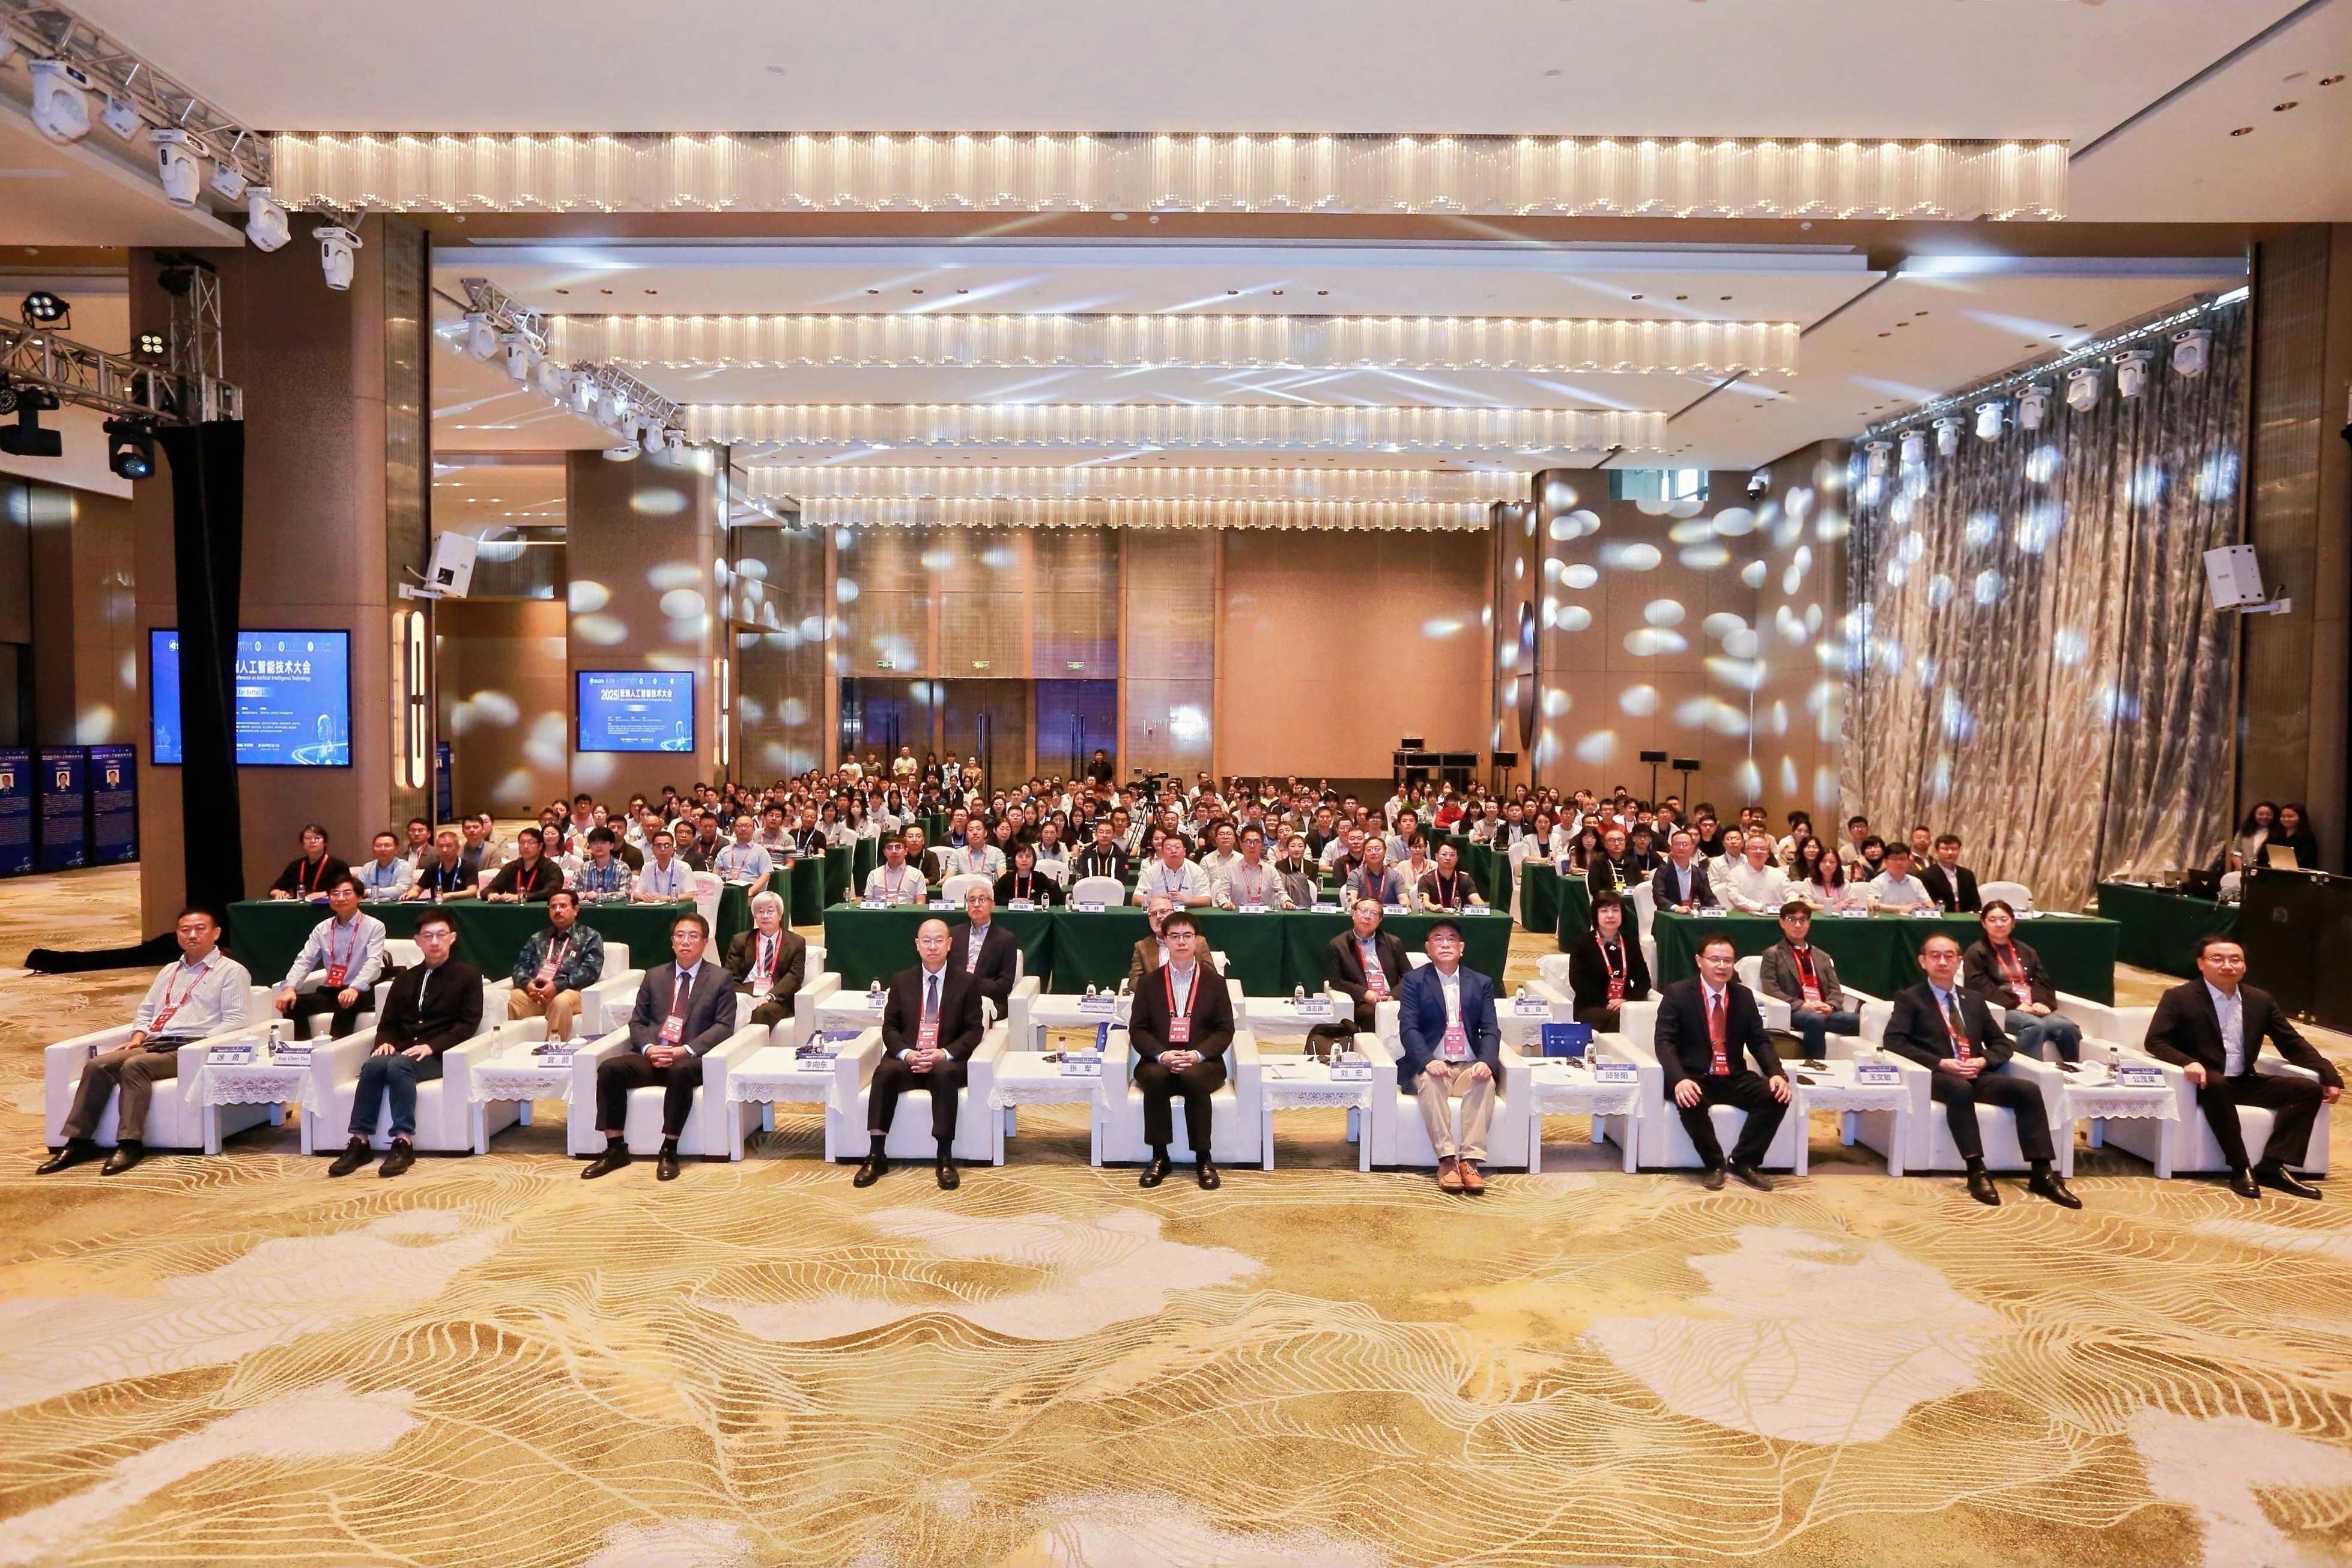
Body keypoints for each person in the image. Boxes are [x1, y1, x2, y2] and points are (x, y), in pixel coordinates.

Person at [41, 907, 253, 1175]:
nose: (192, 935)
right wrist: (138, 1036)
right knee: (98, 1065)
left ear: (216, 933)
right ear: (177, 935)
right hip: (155, 1043)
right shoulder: (169, 971)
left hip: (192, 1047)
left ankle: (130, 1143)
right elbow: (146, 1011)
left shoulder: (231, 971)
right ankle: (79, 1142)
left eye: (200, 929)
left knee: (136, 1066)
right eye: (185, 930)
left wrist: (200, 1045)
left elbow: (236, 1018)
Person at [1882, 933, 2079, 1208]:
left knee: (2028, 1091)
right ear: (1923, 961)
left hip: (1975, 1072)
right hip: (1937, 1076)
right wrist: (1940, 1063)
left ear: (1959, 962)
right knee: (1960, 1089)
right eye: (1935, 956)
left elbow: (2002, 1043)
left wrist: (1983, 1061)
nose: (1942, 962)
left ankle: (2042, 1172)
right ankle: (1976, 1171)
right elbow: (1894, 1041)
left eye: (1949, 956)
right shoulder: (1910, 998)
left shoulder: (1973, 999)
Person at [2142, 934, 2340, 1199]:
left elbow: (2292, 1043)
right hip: (2202, 1083)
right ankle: (2239, 1166)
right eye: (2217, 959)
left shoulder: (2259, 1000)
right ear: (2201, 964)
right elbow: (2156, 1040)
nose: (2228, 965)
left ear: (2244, 965)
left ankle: (2273, 1165)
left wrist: (2328, 1075)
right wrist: (2187, 1062)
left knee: (2306, 1090)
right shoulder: (2180, 997)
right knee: (2218, 1083)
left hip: (2243, 1080)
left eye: (2235, 960)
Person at [323, 910, 483, 1179]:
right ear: (418, 941)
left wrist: (432, 1046)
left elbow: (468, 1023)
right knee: (374, 1065)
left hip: (439, 1053)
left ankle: (403, 1142)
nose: (435, 942)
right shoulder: (405, 978)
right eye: (428, 936)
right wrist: (384, 1042)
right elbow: (387, 1022)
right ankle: (359, 1142)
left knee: (399, 1066)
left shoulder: (468, 976)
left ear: (453, 938)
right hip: (403, 1049)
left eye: (441, 935)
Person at [582, 913, 739, 1182]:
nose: (685, 942)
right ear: (672, 942)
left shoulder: (720, 979)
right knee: (609, 1069)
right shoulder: (654, 976)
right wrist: (648, 1049)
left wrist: (685, 1050)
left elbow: (724, 1026)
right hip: (654, 1055)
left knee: (680, 1072)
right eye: (680, 936)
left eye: (693, 936)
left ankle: (669, 1150)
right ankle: (615, 1148)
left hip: (691, 1059)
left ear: (705, 942)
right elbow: (637, 1022)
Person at [857, 918, 986, 1191]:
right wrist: (906, 1054)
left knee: (946, 1075)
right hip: (909, 1059)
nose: (933, 947)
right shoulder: (902, 981)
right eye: (926, 941)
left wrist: (945, 1054)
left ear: (949, 945)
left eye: (939, 940)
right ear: (917, 945)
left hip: (945, 1062)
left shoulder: (966, 983)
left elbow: (974, 1030)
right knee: (885, 1071)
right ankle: (876, 1155)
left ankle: (945, 1158)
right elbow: (890, 1027)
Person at [1652, 935, 1790, 1190]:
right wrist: (1678, 1079)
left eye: (1728, 960)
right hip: (1694, 1075)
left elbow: (1759, 1041)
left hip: (1733, 1075)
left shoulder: (1743, 996)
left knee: (1776, 1095)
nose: (1722, 966)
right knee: (1690, 1098)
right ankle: (1714, 1164)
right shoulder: (1678, 994)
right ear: (1699, 961)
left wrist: (1776, 1073)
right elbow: (1664, 1042)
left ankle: (1743, 1162)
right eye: (1715, 959)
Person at [1127, 910, 1234, 1191]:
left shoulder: (1215, 983)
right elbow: (1138, 1030)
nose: (1182, 942)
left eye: (1188, 935)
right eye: (1174, 936)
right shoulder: (1149, 983)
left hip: (1204, 1062)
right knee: (1156, 1077)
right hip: (1159, 1060)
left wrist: (1197, 1055)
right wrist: (1162, 1055)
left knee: (1193, 1077)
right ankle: (1159, 1157)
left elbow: (1225, 1030)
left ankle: (1204, 1159)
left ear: (1197, 940)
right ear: (1165, 940)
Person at [1396, 921, 1501, 1193]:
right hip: (1433, 1065)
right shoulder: (1414, 981)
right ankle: (1446, 1160)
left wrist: (1486, 1062)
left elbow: (1491, 1029)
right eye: (1438, 939)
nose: (1445, 944)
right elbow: (1408, 1029)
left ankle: (1470, 1160)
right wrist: (1428, 1060)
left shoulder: (1481, 983)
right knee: (1430, 1083)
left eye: (1452, 939)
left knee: (1485, 1083)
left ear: (1461, 948)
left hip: (1468, 1065)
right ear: (1428, 948)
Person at [1962, 900, 2081, 1063]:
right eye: (1992, 920)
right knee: (2034, 1026)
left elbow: (2042, 980)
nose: (1999, 924)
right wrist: (2015, 1004)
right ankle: (2032, 1073)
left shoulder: (2026, 950)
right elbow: (1979, 986)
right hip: (2001, 1008)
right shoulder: (1976, 952)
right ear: (1984, 924)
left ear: (2013, 923)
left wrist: (2041, 1002)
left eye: (2004, 920)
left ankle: (2072, 1070)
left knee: (2067, 1028)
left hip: (2031, 1006)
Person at [276, 878, 388, 1040]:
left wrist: (355, 988)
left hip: (362, 990)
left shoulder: (374, 926)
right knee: (292, 1005)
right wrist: (290, 988)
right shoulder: (322, 929)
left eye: (347, 893)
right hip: (332, 990)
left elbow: (374, 961)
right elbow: (305, 960)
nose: (340, 898)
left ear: (359, 897)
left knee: (346, 1002)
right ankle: (304, 1048)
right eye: (335, 894)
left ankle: (334, 1049)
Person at [1757, 902, 1859, 1061]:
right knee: (1815, 1020)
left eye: (1803, 920)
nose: (1798, 925)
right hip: (1796, 1011)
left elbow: (1835, 989)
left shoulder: (1822, 956)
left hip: (1824, 1010)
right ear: (1782, 922)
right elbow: (1771, 989)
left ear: (1809, 923)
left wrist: (1831, 1006)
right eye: (1791, 919)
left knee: (1859, 1021)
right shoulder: (1773, 955)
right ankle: (1815, 1065)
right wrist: (1803, 1005)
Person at [506, 889, 605, 1041]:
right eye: (553, 907)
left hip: (570, 992)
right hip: (536, 994)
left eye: (563, 906)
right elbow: (520, 967)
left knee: (561, 1002)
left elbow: (590, 972)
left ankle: (550, 1051)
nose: (558, 910)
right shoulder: (538, 938)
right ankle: (508, 1049)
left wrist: (556, 986)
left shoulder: (590, 937)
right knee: (511, 998)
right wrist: (528, 985)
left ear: (576, 910)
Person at [721, 890, 807, 1029]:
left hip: (778, 995)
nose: (765, 915)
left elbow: (795, 977)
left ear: (780, 914)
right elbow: (730, 975)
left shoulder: (796, 942)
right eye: (760, 911)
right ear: (755, 915)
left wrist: (769, 996)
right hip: (747, 990)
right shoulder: (740, 940)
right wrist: (746, 998)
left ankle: (749, 1042)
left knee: (761, 1011)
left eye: (771, 911)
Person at [1567, 891, 1652, 1031]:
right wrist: (1609, 1003)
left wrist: (1626, 1000)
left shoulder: (1631, 943)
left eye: (1615, 910)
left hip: (1624, 1006)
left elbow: (1644, 981)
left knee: (1639, 1017)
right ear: (1596, 915)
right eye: (1604, 911)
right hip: (1591, 1007)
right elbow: (1578, 983)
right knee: (1619, 1019)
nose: (1610, 915)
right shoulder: (1582, 944)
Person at [1326, 897, 1409, 1034]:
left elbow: (1409, 975)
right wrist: (1364, 993)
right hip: (1364, 1002)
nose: (1367, 916)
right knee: (1371, 1014)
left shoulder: (1393, 943)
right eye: (1363, 911)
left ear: (1380, 920)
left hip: (1392, 998)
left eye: (1373, 913)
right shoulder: (1338, 945)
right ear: (1354, 914)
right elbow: (1336, 980)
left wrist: (1394, 995)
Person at [957, 885, 1023, 1022]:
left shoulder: (1006, 939)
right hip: (955, 998)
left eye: (982, 900)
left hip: (988, 999)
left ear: (993, 905)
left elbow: (1005, 983)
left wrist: (971, 990)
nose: (976, 904)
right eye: (971, 900)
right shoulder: (953, 934)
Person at [1213, 824, 1291, 910]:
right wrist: (1225, 903)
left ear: (1262, 845)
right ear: (1241, 844)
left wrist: (1287, 902)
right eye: (1248, 842)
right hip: (1239, 916)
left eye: (1256, 842)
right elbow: (1221, 894)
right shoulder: (1230, 870)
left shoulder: (1271, 870)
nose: (1252, 846)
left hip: (1265, 916)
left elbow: (1281, 893)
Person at [268, 824, 350, 901]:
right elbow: (273, 890)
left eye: (317, 838)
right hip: (301, 908)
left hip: (327, 908)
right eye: (308, 838)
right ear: (302, 843)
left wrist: (325, 893)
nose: (313, 841)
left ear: (325, 843)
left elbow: (348, 890)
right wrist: (280, 893)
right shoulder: (295, 866)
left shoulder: (339, 865)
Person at [483, 826, 560, 903]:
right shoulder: (511, 867)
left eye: (531, 843)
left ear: (540, 846)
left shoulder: (552, 868)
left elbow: (552, 891)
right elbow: (488, 889)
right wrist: (491, 894)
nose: (526, 847)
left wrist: (522, 897)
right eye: (522, 843)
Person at [1134, 832, 1212, 907]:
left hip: (1187, 913)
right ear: (1162, 852)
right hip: (1160, 912)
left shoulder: (1197, 871)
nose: (1174, 851)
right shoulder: (1151, 872)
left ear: (1185, 852)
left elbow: (1206, 899)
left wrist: (1184, 900)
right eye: (1169, 848)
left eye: (1177, 848)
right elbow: (1136, 899)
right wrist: (1157, 901)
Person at [1721, 835, 1790, 915]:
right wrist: (1762, 907)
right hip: (1746, 917)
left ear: (1768, 853)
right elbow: (1735, 897)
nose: (1758, 852)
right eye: (1754, 848)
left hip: (1777, 917)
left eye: (1763, 849)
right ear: (1746, 852)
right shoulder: (1735, 874)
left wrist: (1786, 906)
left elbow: (1791, 894)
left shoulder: (1779, 874)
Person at [1650, 829, 1715, 913]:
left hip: (1694, 916)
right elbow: (1659, 897)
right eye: (1677, 844)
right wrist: (1676, 908)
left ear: (1692, 848)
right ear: (1671, 848)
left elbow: (1709, 897)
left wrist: (1716, 905)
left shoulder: (1700, 873)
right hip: (1670, 916)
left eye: (1685, 844)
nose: (1681, 848)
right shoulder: (1662, 871)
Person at [712, 815, 775, 895]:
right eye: (739, 826)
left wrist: (751, 892)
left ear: (754, 830)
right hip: (726, 890)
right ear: (734, 829)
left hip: (749, 890)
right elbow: (716, 871)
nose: (743, 829)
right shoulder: (725, 850)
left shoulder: (761, 852)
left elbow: (766, 875)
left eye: (747, 826)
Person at [1414, 840, 1484, 912]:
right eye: (1444, 854)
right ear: (1437, 857)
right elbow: (1423, 901)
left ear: (1457, 859)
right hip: (1435, 917)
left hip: (1459, 918)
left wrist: (1482, 907)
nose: (1448, 858)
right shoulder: (1426, 880)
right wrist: (1432, 906)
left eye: (1452, 855)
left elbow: (1476, 900)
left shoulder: (1465, 880)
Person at [1919, 834, 1981, 913]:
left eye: (1954, 849)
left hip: (1967, 916)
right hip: (1941, 916)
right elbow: (1927, 902)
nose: (1950, 853)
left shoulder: (1967, 875)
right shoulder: (1926, 875)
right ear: (1937, 851)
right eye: (1945, 849)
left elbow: (1976, 902)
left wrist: (1973, 913)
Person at [1126, 894, 1178, 990]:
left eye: (1163, 912)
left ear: (1174, 914)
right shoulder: (1142, 947)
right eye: (1154, 914)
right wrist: (1157, 990)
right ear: (1149, 920)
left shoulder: (1196, 942)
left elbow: (1207, 977)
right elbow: (1134, 981)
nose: (1158, 916)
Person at [408, 829, 476, 900]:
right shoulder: (433, 867)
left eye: (449, 846)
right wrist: (409, 895)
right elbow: (417, 890)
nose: (444, 850)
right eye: (441, 846)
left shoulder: (469, 866)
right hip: (437, 906)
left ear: (458, 848)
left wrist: (449, 896)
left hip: (462, 906)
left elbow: (472, 892)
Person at [1864, 843, 1933, 911]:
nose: (1899, 863)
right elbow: (1872, 905)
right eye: (1894, 859)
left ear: (1908, 861)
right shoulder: (1878, 882)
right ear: (1885, 861)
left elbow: (1931, 906)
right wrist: (1902, 908)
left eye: (1903, 859)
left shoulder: (1916, 882)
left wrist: (1923, 907)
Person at [862, 835, 929, 905]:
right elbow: (868, 903)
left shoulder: (917, 874)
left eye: (898, 847)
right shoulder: (874, 874)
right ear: (884, 852)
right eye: (889, 848)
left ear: (906, 851)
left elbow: (921, 904)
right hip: (880, 911)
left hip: (907, 911)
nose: (894, 851)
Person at [632, 829, 695, 902]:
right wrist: (644, 897)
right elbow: (636, 894)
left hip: (675, 907)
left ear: (673, 849)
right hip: (653, 907)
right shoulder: (647, 868)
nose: (663, 849)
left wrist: (667, 898)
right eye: (659, 845)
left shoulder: (684, 868)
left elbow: (690, 895)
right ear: (652, 849)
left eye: (667, 845)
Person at [355, 830, 416, 902]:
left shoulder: (404, 866)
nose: (382, 849)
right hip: (371, 906)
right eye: (378, 846)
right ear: (373, 849)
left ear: (397, 850)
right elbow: (357, 890)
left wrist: (368, 892)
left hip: (398, 906)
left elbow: (401, 890)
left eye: (387, 846)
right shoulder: (367, 868)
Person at [1344, 839, 1406, 909]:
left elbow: (1404, 900)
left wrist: (1405, 906)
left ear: (1385, 851)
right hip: (1364, 913)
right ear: (1364, 853)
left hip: (1389, 915)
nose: (1373, 852)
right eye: (1369, 850)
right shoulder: (1355, 875)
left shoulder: (1395, 876)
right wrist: (1368, 908)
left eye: (1377, 849)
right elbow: (1352, 899)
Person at [995, 843, 1062, 907]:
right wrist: (1012, 901)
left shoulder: (1040, 878)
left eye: (1028, 856)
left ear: (1034, 860)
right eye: (1020, 856)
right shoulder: (1007, 879)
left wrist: (1030, 902)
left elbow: (1055, 898)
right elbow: (994, 897)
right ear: (1014, 860)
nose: (1024, 860)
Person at [1585, 826, 1632, 901]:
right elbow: (1594, 889)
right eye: (1612, 841)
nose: (1617, 844)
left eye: (1620, 840)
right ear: (1605, 844)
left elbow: (1639, 886)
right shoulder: (1598, 863)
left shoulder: (1632, 863)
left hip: (1630, 901)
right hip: (1606, 901)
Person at [1075, 817, 1129, 883]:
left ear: (1114, 835)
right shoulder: (1086, 855)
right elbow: (1084, 879)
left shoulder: (1121, 856)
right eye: (1101, 832)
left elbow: (1122, 880)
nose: (1104, 836)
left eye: (1108, 833)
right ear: (1096, 834)